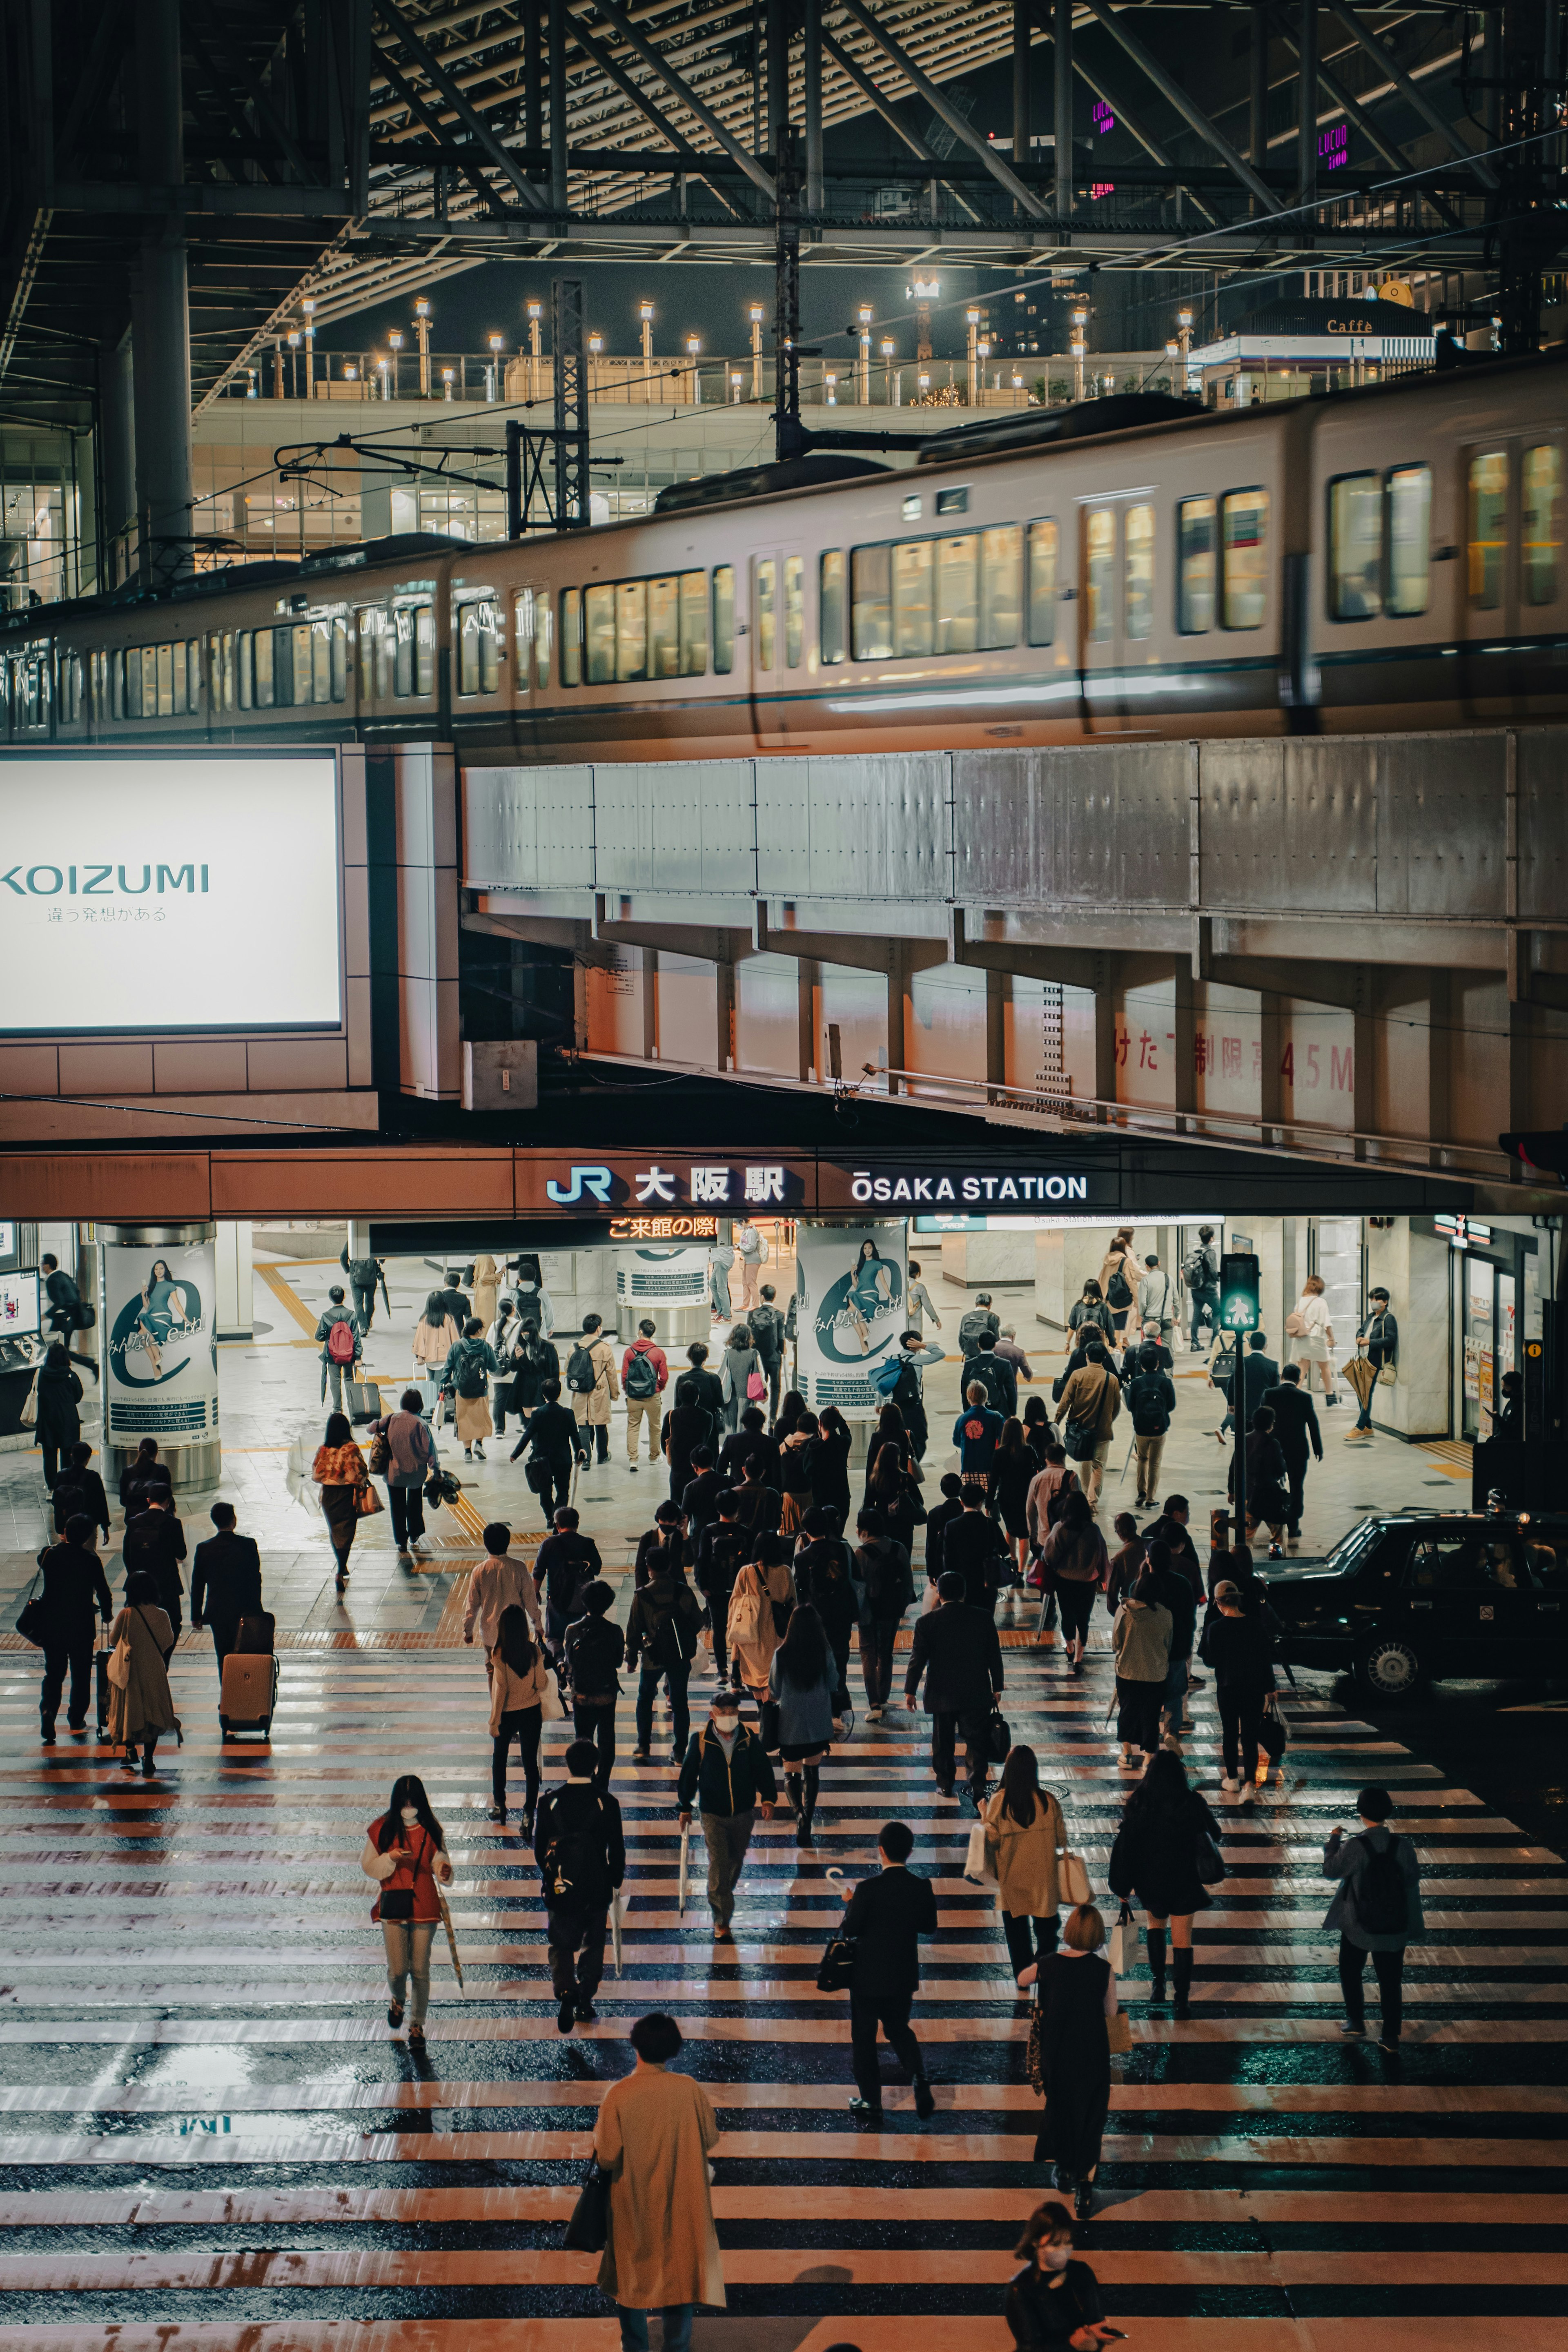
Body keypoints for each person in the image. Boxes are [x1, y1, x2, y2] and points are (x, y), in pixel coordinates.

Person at [593, 2010, 724, 2349]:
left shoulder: (619, 2095)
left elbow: (608, 2157)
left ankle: (636, 2346)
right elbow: (710, 2138)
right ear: (673, 2051)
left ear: (635, 2047)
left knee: (631, 2279)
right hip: (681, 2201)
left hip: (634, 2204)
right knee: (679, 2279)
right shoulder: (689, 2090)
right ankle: (677, 2347)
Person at [1018, 1904, 1118, 2221]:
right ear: (1099, 1937)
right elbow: (1112, 2014)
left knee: (1060, 2110)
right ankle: (1085, 2192)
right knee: (1091, 2119)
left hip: (1056, 2055)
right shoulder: (1104, 1970)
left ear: (1070, 1931)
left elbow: (1022, 1979)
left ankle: (1063, 2171)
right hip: (1092, 2056)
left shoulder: (1049, 1964)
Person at [1107, 1745, 1221, 2016]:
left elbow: (1126, 1848)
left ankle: (1158, 1985)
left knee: (1155, 1926)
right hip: (1184, 1881)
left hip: (1151, 1882)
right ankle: (1182, 1999)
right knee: (1183, 1939)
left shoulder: (1140, 1803)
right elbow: (1214, 1834)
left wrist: (1122, 1887)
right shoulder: (1192, 1802)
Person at [841, 1819, 938, 2120]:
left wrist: (850, 1903)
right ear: (910, 1853)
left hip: (867, 1977)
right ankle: (919, 2077)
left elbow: (850, 1930)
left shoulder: (867, 1890)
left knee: (864, 2037)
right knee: (898, 2029)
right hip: (902, 1974)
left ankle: (871, 2101)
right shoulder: (920, 1887)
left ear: (881, 1851)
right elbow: (929, 1926)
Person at [1322, 1785, 1423, 2049]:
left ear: (1361, 1813)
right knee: (1390, 1980)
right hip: (1394, 1926)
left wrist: (1334, 1842)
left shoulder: (1356, 1846)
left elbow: (1332, 1870)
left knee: (1350, 1970)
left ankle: (1356, 2021)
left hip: (1358, 1926)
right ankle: (1390, 2036)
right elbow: (1412, 1878)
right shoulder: (1403, 1847)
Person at [536, 1738, 626, 2031]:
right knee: (593, 1944)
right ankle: (585, 1997)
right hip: (596, 1888)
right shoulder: (607, 1803)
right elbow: (618, 1848)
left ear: (567, 1763)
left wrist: (553, 1876)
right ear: (596, 1766)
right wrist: (614, 1880)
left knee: (561, 1943)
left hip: (561, 1887)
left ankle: (565, 1988)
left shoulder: (549, 1802)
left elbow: (540, 1849)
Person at [361, 1773, 453, 2047]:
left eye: (413, 1802)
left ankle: (417, 2025)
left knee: (420, 1969)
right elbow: (369, 1866)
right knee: (398, 1969)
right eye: (405, 1802)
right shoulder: (382, 1828)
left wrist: (443, 1869)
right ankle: (398, 1998)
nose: (409, 1807)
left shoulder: (430, 1828)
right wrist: (390, 1858)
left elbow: (440, 1859)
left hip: (424, 1903)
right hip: (394, 1904)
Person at [677, 1685, 776, 1941]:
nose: (729, 1716)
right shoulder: (700, 1740)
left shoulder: (748, 1739)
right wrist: (685, 1807)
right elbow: (688, 1775)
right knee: (719, 1863)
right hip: (713, 1814)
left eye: (734, 1711)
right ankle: (722, 1918)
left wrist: (768, 1799)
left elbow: (762, 1770)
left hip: (743, 1812)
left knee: (736, 1859)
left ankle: (723, 1895)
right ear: (713, 1715)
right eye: (724, 1711)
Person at [905, 1568, 1004, 1808]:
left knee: (942, 1740)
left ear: (939, 1594)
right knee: (976, 1741)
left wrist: (910, 1690)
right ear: (964, 1593)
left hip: (941, 1691)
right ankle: (978, 1787)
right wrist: (997, 1686)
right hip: (976, 1690)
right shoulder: (983, 1618)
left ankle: (945, 1783)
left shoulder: (926, 1623)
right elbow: (994, 1655)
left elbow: (917, 1659)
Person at [984, 1744, 1067, 1980]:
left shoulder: (999, 1802)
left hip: (1013, 1881)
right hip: (1044, 1882)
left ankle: (1023, 1978)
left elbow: (990, 1841)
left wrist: (984, 1816)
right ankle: (1042, 1969)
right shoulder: (1048, 1801)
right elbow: (1062, 1840)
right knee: (1048, 1932)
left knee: (1017, 1935)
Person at [35, 1513, 113, 1742]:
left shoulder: (49, 1555)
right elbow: (104, 1591)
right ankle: (76, 1717)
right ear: (89, 1536)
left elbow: (42, 1561)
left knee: (55, 1672)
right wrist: (107, 1614)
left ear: (65, 1532)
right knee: (81, 1674)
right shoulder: (90, 1560)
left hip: (52, 1625)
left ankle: (49, 1709)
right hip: (81, 1624)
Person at [1200, 1577, 1278, 1795]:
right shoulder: (1255, 1625)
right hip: (1253, 1689)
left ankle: (1233, 1779)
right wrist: (1271, 1687)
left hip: (1228, 1688)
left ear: (1218, 1603)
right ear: (1238, 1600)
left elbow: (1210, 1661)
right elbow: (1266, 1659)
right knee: (1250, 1737)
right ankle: (1250, 1785)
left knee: (1230, 1734)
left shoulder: (1216, 1628)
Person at [627, 1545, 704, 1763]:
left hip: (653, 1658)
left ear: (649, 1568)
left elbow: (634, 1628)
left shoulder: (642, 1595)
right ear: (670, 1565)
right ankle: (679, 1751)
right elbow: (699, 1621)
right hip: (680, 1657)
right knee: (680, 1702)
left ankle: (643, 1744)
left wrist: (633, 1657)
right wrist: (681, 1638)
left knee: (645, 1698)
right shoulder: (684, 1591)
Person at [1004, 2200, 1116, 2350]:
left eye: (1068, 2243)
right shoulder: (1021, 2289)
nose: (1064, 2252)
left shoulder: (1082, 2273)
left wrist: (1096, 2341)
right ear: (1035, 2242)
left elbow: (1095, 2321)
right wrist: (1072, 2345)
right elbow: (1030, 2347)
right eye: (1056, 2245)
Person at [770, 1602, 836, 1846]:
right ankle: (809, 1815)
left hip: (790, 1727)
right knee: (812, 1771)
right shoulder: (824, 1652)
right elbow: (833, 1682)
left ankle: (799, 1816)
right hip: (818, 1725)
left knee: (791, 1772)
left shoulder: (782, 1654)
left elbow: (775, 1689)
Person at [105, 1569, 178, 1779]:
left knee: (129, 1709)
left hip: (131, 1669)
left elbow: (113, 1640)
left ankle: (130, 1751)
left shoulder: (126, 1614)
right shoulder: (162, 1614)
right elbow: (168, 1640)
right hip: (155, 1668)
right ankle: (149, 1759)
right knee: (153, 1713)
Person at [487, 1601, 550, 1830]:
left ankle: (500, 1805)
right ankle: (528, 1814)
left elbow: (501, 1690)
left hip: (507, 1714)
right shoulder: (533, 1651)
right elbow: (542, 1684)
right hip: (531, 1712)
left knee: (499, 1760)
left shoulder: (499, 1654)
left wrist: (494, 1721)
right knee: (530, 1765)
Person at [794, 1512, 858, 1722]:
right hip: (841, 1613)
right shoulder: (841, 1549)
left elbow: (800, 1589)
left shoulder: (802, 1557)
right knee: (841, 1657)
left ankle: (822, 1702)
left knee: (819, 1659)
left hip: (816, 1617)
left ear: (806, 1530)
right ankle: (839, 1701)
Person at [726, 1539, 794, 1735]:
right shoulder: (785, 1572)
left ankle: (763, 1710)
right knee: (772, 1677)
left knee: (754, 1677)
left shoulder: (746, 1572)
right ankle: (770, 1710)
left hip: (751, 1636)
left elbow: (734, 1605)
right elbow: (793, 1603)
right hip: (777, 1636)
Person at [189, 1502, 263, 1680]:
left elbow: (198, 1584)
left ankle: (227, 1695)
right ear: (233, 1520)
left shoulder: (204, 1548)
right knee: (245, 1654)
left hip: (218, 1611)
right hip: (245, 1610)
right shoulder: (248, 1545)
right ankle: (244, 1691)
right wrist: (257, 1610)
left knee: (223, 1655)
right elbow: (255, 1580)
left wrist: (196, 1616)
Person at [854, 1508, 914, 1720]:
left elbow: (858, 1588)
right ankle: (884, 1697)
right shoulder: (899, 1548)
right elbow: (909, 1583)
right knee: (886, 1653)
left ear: (864, 1529)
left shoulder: (861, 1553)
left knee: (868, 1654)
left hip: (868, 1614)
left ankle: (874, 1704)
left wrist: (858, 1615)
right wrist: (900, 1607)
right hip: (891, 1611)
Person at [1111, 1566, 1172, 1771]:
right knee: (1151, 1716)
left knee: (1127, 1711)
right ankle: (1149, 1758)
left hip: (1127, 1672)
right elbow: (1168, 1645)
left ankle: (1127, 1754)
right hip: (1155, 1674)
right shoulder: (1165, 1615)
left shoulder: (1123, 1611)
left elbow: (1115, 1645)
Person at [565, 1581, 625, 1789]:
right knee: (607, 1740)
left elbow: (569, 1661)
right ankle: (603, 1785)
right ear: (608, 1604)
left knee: (583, 1740)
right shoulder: (615, 1631)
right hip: (606, 1695)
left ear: (584, 1603)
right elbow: (618, 1662)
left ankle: (585, 1783)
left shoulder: (573, 1630)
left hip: (581, 1695)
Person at [1040, 1494, 1107, 1677]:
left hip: (1064, 1580)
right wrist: (1104, 1578)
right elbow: (1102, 1556)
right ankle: (1078, 1658)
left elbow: (1049, 1556)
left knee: (1067, 1614)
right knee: (1083, 1618)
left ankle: (1069, 1647)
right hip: (1088, 1581)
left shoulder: (1060, 1529)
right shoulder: (1094, 1530)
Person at [1141, 1537, 1198, 1750]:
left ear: (1149, 1560)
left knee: (1152, 1695)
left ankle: (1151, 1737)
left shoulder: (1141, 1585)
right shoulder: (1182, 1583)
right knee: (1175, 1694)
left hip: (1150, 1652)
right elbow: (1190, 1619)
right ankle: (1171, 1732)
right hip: (1176, 1650)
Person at [370, 1388, 438, 1562]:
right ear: (420, 1405)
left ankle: (401, 1541)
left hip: (394, 1473)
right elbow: (430, 1451)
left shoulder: (391, 1418)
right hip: (416, 1473)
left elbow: (372, 1429)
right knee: (414, 1505)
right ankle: (414, 1535)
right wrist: (435, 1468)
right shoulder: (421, 1423)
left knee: (397, 1507)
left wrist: (378, 1424)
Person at [1055, 1341, 1121, 1510]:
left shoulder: (1077, 1375)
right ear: (1105, 1358)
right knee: (1099, 1466)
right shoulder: (1112, 1379)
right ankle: (1093, 1502)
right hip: (1102, 1432)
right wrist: (1107, 1421)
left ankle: (1084, 1499)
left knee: (1084, 1463)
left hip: (1080, 1431)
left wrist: (1056, 1423)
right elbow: (1117, 1408)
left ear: (1087, 1357)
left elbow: (1065, 1403)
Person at [1261, 1362, 1322, 1539]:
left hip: (1274, 1448)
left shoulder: (1269, 1394)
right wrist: (1318, 1448)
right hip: (1298, 1449)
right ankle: (1293, 1526)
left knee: (1271, 1485)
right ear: (1299, 1379)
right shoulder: (1305, 1397)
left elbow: (1262, 1418)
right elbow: (1313, 1424)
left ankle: (1275, 1524)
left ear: (1282, 1377)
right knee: (1297, 1487)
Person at [463, 1520, 544, 1655]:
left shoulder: (479, 1571)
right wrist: (538, 1626)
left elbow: (472, 1605)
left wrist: (468, 1631)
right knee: (519, 1671)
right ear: (508, 1542)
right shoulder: (519, 1567)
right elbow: (530, 1600)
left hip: (491, 1634)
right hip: (518, 1632)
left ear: (486, 1544)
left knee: (493, 1671)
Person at [535, 1505, 602, 1662]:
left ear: (557, 1525)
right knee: (581, 1635)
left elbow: (538, 1572)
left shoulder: (549, 1544)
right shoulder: (588, 1543)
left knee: (553, 1637)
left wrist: (536, 1593)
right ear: (577, 1524)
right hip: (584, 1602)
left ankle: (559, 1662)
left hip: (558, 1600)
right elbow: (597, 1569)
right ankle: (576, 1663)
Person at [314, 1412, 370, 1593]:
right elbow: (361, 1472)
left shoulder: (323, 1449)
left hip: (328, 1496)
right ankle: (340, 1571)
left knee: (335, 1531)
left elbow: (316, 1471)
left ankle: (342, 1564)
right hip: (347, 1495)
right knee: (347, 1533)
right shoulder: (351, 1449)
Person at [695, 1495, 748, 1685]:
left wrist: (703, 1586)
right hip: (740, 1591)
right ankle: (738, 1672)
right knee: (741, 1630)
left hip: (716, 1590)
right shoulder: (746, 1532)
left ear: (718, 1509)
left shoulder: (709, 1531)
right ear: (738, 1509)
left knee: (719, 1630)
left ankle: (722, 1671)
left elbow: (702, 1560)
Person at [120, 1486, 187, 1633]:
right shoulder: (173, 1524)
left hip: (139, 1585)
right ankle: (164, 1656)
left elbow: (127, 1555)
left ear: (148, 1500)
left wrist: (135, 1575)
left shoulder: (133, 1522)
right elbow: (182, 1554)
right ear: (168, 1502)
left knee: (140, 1625)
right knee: (173, 1623)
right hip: (167, 1585)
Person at [512, 1377, 578, 1518]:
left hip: (543, 1460)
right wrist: (580, 1452)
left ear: (543, 1395)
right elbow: (575, 1436)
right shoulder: (568, 1413)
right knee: (563, 1492)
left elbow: (528, 1435)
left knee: (545, 1492)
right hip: (563, 1459)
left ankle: (550, 1518)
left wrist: (516, 1454)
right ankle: (558, 1519)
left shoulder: (538, 1414)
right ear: (559, 1394)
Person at [944, 1484, 1011, 1616]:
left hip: (962, 1583)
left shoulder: (952, 1526)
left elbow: (948, 1558)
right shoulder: (990, 1524)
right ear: (981, 1502)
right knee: (985, 1619)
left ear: (962, 1502)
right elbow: (1005, 1550)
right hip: (987, 1581)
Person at [1231, 1406, 1291, 1554]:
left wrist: (1232, 1490)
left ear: (1254, 1422)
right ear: (1271, 1424)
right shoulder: (1273, 1443)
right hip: (1270, 1497)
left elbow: (1234, 1467)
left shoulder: (1244, 1440)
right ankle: (1276, 1560)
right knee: (1277, 1534)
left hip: (1249, 1496)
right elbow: (1281, 1469)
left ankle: (1245, 1561)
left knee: (1246, 1536)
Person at [1125, 1343, 1177, 1511]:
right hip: (1160, 1429)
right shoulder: (1166, 1382)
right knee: (1155, 1463)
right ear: (1158, 1364)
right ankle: (1151, 1498)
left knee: (1142, 1459)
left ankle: (1141, 1491)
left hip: (1141, 1428)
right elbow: (1171, 1406)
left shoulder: (1136, 1383)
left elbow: (1131, 1405)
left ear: (1141, 1365)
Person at [443, 1317, 500, 1462]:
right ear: (479, 1331)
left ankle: (467, 1453)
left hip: (461, 1391)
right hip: (481, 1390)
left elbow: (448, 1367)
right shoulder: (486, 1347)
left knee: (464, 1421)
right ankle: (479, 1444)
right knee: (481, 1419)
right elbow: (494, 1368)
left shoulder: (457, 1346)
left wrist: (442, 1385)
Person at [33, 1342, 84, 1492]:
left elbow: (37, 1395)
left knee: (49, 1457)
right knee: (68, 1455)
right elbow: (78, 1397)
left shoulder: (41, 1374)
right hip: (68, 1420)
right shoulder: (70, 1375)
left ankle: (52, 1488)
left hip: (47, 1421)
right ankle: (66, 1486)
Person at [864, 1442, 926, 1561]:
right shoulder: (906, 1478)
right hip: (904, 1524)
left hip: (883, 1524)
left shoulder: (875, 1479)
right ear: (897, 1457)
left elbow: (868, 1504)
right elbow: (920, 1501)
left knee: (885, 1559)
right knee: (903, 1557)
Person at [1350, 1287, 1399, 1437]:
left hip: (1375, 1361)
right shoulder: (1371, 1316)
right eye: (1372, 1299)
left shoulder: (1388, 1318)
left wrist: (1370, 1342)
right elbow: (1362, 1330)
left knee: (1365, 1394)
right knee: (1361, 1393)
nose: (1373, 1302)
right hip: (1363, 1358)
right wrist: (1359, 1337)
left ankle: (1360, 1427)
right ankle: (1368, 1426)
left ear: (1385, 1302)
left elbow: (1391, 1339)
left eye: (1377, 1300)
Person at [993, 1417, 1036, 1581]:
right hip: (1025, 1497)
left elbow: (994, 1480)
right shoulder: (1029, 1451)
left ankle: (1013, 1560)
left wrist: (990, 1503)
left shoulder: (999, 1453)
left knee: (1011, 1529)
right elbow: (1038, 1470)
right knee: (1024, 1534)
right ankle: (1020, 1571)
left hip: (1006, 1498)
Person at [621, 1319, 668, 1469]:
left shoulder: (629, 1352)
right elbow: (665, 1376)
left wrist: (628, 1390)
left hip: (634, 1396)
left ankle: (633, 1460)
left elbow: (624, 1376)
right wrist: (657, 1388)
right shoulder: (658, 1352)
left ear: (640, 1332)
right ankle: (654, 1457)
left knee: (633, 1427)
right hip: (652, 1396)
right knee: (655, 1426)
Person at [1286, 1272, 1336, 1401]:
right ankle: (1330, 1395)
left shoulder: (1301, 1302)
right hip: (1316, 1339)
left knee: (1302, 1370)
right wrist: (1331, 1339)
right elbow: (1327, 1324)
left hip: (1302, 1339)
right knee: (1324, 1367)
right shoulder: (1321, 1302)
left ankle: (1295, 1395)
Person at [50, 1439, 110, 1543]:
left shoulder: (61, 1475)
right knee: (87, 1553)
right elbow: (101, 1503)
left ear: (72, 1456)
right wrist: (105, 1528)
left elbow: (56, 1501)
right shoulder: (93, 1477)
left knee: (68, 1554)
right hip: (87, 1525)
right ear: (88, 1458)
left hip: (66, 1524)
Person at [509, 1321, 561, 1439]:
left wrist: (554, 1392)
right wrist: (516, 1358)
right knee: (530, 1423)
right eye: (523, 1333)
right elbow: (512, 1368)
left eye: (528, 1333)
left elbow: (555, 1371)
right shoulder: (520, 1347)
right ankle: (536, 1448)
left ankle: (540, 1448)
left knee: (540, 1419)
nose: (525, 1336)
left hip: (541, 1386)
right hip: (525, 1387)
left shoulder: (547, 1347)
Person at [314, 1285, 362, 1413]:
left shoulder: (326, 1316)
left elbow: (318, 1336)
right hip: (349, 1355)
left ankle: (337, 1410)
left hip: (332, 1355)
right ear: (344, 1297)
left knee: (335, 1381)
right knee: (349, 1380)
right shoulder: (351, 1315)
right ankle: (353, 1409)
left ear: (331, 1299)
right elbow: (356, 1337)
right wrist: (358, 1357)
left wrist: (329, 1336)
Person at [953, 1380, 1005, 1497]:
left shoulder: (962, 1419)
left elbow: (957, 1442)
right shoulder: (995, 1417)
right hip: (989, 1468)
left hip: (968, 1468)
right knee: (992, 1501)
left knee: (970, 1501)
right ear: (986, 1397)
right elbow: (1005, 1438)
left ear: (969, 1399)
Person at [808, 1404, 853, 1525]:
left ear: (820, 1424)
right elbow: (847, 1433)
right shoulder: (844, 1442)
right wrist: (839, 1417)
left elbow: (807, 1469)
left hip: (820, 1498)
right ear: (837, 1424)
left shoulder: (814, 1446)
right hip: (841, 1496)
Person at [923, 1470, 967, 1586]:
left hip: (941, 1563)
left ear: (942, 1490)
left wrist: (930, 1571)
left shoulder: (934, 1513)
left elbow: (930, 1544)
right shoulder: (964, 1511)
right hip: (964, 1562)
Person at [719, 1323, 762, 1436]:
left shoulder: (727, 1353)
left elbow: (723, 1373)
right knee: (746, 1428)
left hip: (729, 1396)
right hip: (747, 1395)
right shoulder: (754, 1353)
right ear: (749, 1338)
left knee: (731, 1428)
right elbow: (760, 1375)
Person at [1182, 1225, 1221, 1350]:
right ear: (1212, 1238)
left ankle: (1195, 1343)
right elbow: (1213, 1271)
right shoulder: (1210, 1252)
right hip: (1209, 1289)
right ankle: (1214, 1341)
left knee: (1196, 1315)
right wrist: (1220, 1278)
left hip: (1196, 1289)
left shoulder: (1196, 1251)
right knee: (1219, 1311)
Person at [968, 1333, 1020, 1421]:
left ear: (978, 1345)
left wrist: (967, 1411)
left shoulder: (970, 1364)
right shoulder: (1004, 1364)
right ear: (995, 1345)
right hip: (1000, 1409)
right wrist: (1012, 1412)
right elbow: (1011, 1389)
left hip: (976, 1411)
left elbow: (964, 1388)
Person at [412, 1290, 460, 1383]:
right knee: (441, 1384)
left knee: (432, 1382)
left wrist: (420, 1357)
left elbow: (420, 1339)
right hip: (445, 1358)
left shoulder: (424, 1320)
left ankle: (434, 1397)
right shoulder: (449, 1319)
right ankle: (439, 1398)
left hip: (429, 1358)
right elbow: (455, 1340)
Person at [1099, 1231, 1140, 1338]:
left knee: (1107, 1327)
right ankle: (1113, 1351)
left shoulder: (1107, 1259)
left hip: (1106, 1298)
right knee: (1117, 1328)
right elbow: (1131, 1281)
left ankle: (1108, 1349)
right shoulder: (1126, 1261)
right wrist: (1137, 1300)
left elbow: (1101, 1278)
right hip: (1121, 1299)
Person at [340, 1241, 387, 1335]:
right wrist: (380, 1261)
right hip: (371, 1276)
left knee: (358, 1303)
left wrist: (349, 1271)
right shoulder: (372, 1238)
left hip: (356, 1276)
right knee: (370, 1301)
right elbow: (382, 1257)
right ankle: (368, 1321)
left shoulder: (352, 1239)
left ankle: (363, 1327)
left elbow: (343, 1258)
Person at [1104, 1513, 1145, 1615]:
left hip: (1131, 1608)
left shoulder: (1120, 1558)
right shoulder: (1151, 1545)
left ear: (1121, 1533)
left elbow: (1111, 1595)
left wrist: (1121, 1615)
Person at [508, 1253, 556, 1339]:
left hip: (517, 1340)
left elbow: (505, 1317)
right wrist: (547, 1329)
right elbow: (550, 1317)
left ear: (519, 1278)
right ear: (534, 1277)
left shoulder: (512, 1294)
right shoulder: (543, 1293)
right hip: (540, 1338)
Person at [40, 1251, 85, 1339]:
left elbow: (60, 1302)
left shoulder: (52, 1280)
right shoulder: (63, 1275)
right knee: (64, 1344)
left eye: (42, 1263)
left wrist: (45, 1316)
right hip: (71, 1316)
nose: (41, 1266)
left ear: (47, 1266)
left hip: (61, 1317)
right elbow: (77, 1291)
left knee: (55, 1343)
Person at [1136, 1254, 1177, 1349]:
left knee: (1149, 1346)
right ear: (1159, 1263)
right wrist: (1177, 1316)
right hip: (1167, 1318)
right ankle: (1168, 1363)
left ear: (1147, 1266)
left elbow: (1142, 1302)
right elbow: (1176, 1300)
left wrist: (1143, 1314)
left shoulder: (1146, 1280)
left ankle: (1152, 1363)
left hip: (1151, 1319)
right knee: (1167, 1347)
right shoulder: (1169, 1278)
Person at [118, 1437, 167, 1514]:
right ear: (156, 1453)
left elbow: (123, 1502)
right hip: (157, 1518)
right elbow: (166, 1499)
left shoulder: (127, 1472)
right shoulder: (162, 1471)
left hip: (133, 1518)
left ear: (139, 1451)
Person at [734, 1215, 767, 1311]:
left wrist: (739, 1248)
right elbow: (745, 1243)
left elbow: (751, 1247)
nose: (737, 1226)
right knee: (745, 1282)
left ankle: (755, 1305)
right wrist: (738, 1245)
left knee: (751, 1282)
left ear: (743, 1222)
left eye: (737, 1224)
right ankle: (745, 1303)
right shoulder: (747, 1230)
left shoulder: (752, 1231)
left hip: (753, 1260)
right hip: (746, 1259)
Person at [905, 1256, 942, 1334]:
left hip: (902, 1317)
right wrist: (936, 1319)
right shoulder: (920, 1287)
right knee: (915, 1341)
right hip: (915, 1319)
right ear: (918, 1274)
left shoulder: (901, 1285)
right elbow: (928, 1306)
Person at [959, 1293, 1001, 1359]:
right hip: (987, 1355)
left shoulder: (966, 1317)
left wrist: (965, 1350)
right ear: (990, 1305)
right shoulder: (993, 1317)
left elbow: (961, 1338)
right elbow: (997, 1339)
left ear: (976, 1304)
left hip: (970, 1354)